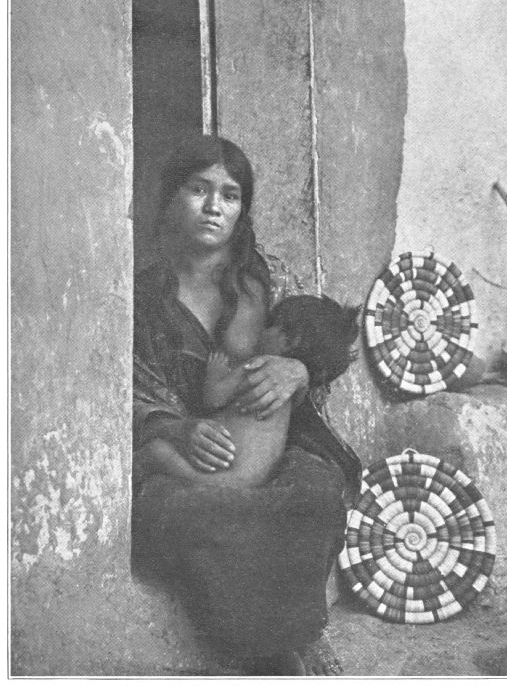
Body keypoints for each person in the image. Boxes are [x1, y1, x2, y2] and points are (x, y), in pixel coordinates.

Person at [131, 135, 361, 676]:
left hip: (265, 443)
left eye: (230, 195)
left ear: (242, 208)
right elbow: (115, 387)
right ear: (170, 196)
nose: (215, 207)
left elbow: (326, 337)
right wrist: (177, 426)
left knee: (316, 487)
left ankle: (292, 642)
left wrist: (300, 370)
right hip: (177, 459)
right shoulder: (136, 295)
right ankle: (267, 652)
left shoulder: (267, 279)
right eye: (198, 189)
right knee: (198, 512)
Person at [145, 294, 360, 488]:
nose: (262, 332)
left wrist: (214, 372)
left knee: (157, 451)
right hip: (256, 476)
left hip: (226, 470)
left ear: (289, 340)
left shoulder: (263, 367)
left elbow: (213, 398)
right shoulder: (294, 393)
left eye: (270, 325)